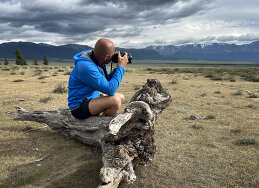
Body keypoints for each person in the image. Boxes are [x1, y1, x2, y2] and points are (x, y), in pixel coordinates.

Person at [67, 38, 129, 119]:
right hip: (78, 106)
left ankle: (102, 118)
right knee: (115, 101)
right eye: (112, 54)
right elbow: (111, 90)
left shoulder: (97, 60)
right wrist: (121, 67)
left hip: (91, 98)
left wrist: (117, 68)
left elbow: (107, 80)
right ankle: (104, 126)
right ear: (106, 56)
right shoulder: (86, 67)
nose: (114, 56)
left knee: (121, 96)